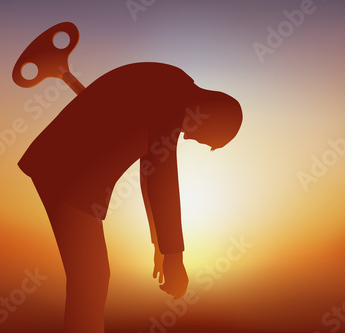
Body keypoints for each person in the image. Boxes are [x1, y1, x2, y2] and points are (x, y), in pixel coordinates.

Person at [18, 62, 242, 333]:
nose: (190, 138)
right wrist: (173, 256)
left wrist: (161, 246)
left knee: (91, 278)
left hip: (65, 172)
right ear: (211, 115)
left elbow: (150, 173)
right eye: (204, 138)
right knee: (90, 279)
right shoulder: (172, 97)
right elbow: (161, 175)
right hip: (65, 174)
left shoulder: (172, 90)